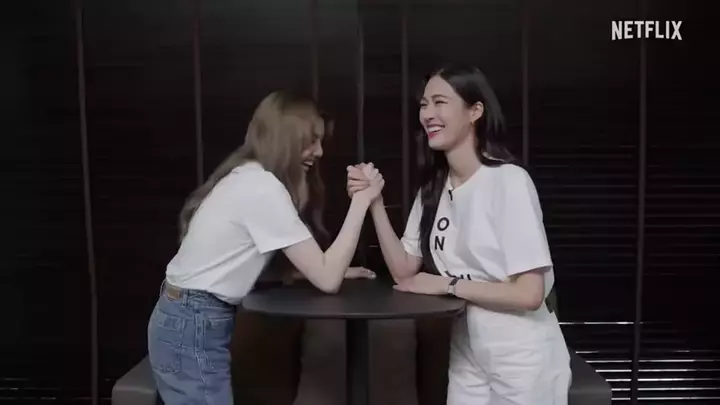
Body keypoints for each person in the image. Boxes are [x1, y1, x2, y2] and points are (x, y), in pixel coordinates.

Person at [347, 64, 572, 405]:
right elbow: (405, 272)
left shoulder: (508, 181)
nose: (428, 114)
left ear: (474, 111)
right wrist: (374, 202)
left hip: (522, 353)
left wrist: (446, 285)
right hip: (467, 345)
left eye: (440, 102)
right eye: (424, 105)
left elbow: (529, 294)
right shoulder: (433, 190)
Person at [147, 90, 383, 405]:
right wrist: (362, 200)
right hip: (193, 323)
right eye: (311, 141)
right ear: (286, 139)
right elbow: (328, 279)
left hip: (186, 318)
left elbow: (250, 263)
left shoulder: (248, 176)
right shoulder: (263, 189)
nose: (320, 151)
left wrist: (330, 269)